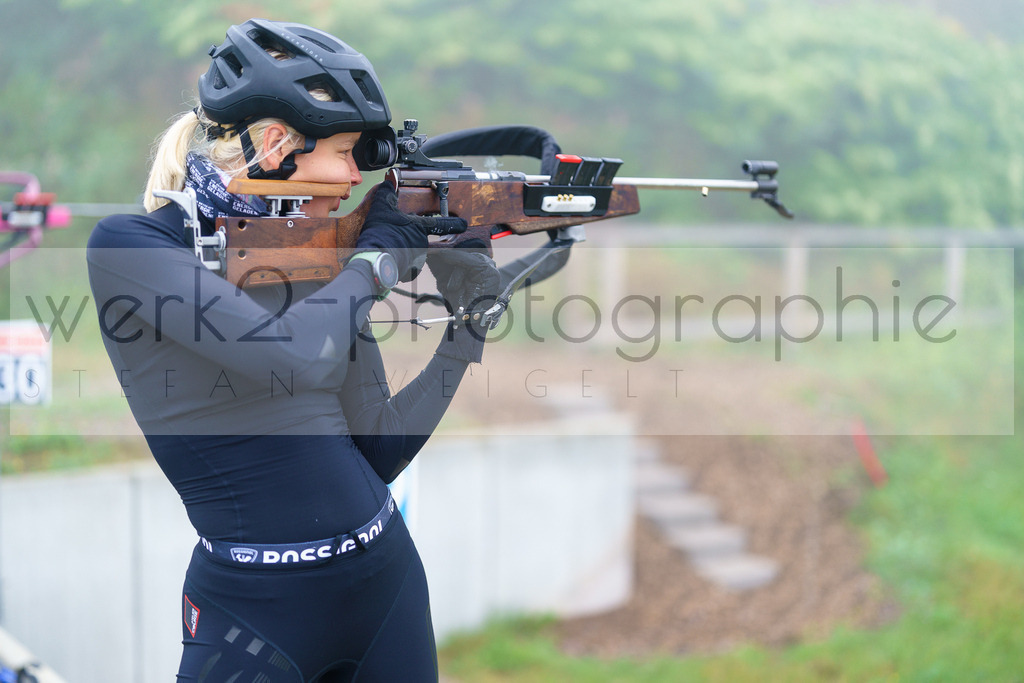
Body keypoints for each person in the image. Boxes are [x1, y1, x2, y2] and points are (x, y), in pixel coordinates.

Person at [86, 18, 499, 682]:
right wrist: (375, 263)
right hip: (254, 615)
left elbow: (379, 449)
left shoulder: (312, 255)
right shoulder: (130, 245)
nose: (355, 176)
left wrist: (468, 326)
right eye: (346, 152)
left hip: (387, 583)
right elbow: (290, 359)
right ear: (278, 144)